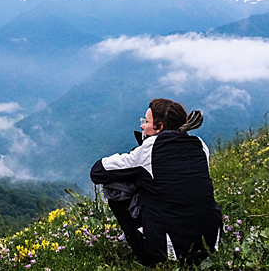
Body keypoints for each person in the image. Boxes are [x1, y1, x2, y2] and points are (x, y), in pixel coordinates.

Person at [90, 98, 222, 267]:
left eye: (146, 121)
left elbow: (98, 172)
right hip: (210, 245)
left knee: (116, 184)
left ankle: (145, 254)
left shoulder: (149, 149)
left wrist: (137, 162)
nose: (141, 126)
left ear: (159, 127)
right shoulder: (200, 146)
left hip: (168, 253)